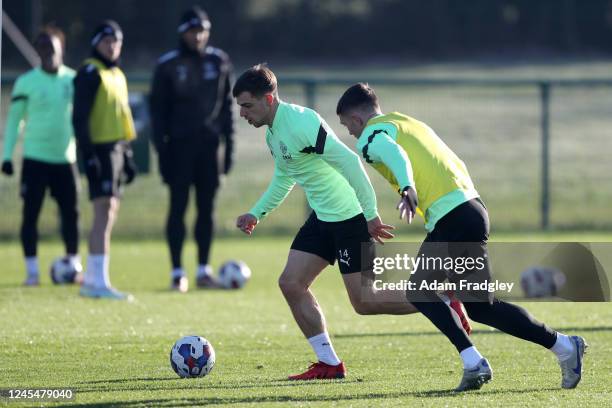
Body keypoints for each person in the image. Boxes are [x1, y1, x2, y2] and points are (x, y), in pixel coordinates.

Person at [336, 82, 588, 391]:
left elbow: (395, 154)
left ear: (357, 119)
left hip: (452, 216)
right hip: (471, 209)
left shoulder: (372, 137)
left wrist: (406, 186)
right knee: (481, 306)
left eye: (346, 124)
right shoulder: (408, 123)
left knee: (420, 290)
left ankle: (474, 362)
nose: (349, 132)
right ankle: (564, 347)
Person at [232, 65, 474, 380]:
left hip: (350, 217)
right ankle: (329, 363)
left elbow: (349, 161)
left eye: (247, 106)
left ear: (268, 98)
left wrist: (370, 214)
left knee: (365, 301)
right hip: (322, 217)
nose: (242, 114)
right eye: (239, 107)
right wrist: (257, 212)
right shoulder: (273, 132)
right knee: (291, 283)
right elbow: (284, 176)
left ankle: (442, 298)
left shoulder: (301, 121)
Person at [150, 6, 234, 293]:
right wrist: (161, 152)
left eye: (201, 31)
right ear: (181, 33)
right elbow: (157, 113)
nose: (197, 36)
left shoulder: (219, 61)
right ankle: (177, 272)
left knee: (206, 209)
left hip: (209, 148)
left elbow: (226, 108)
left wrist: (229, 147)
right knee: (178, 208)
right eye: (191, 31)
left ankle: (203, 270)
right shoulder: (167, 65)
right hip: (178, 148)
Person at [1, 25, 82, 286]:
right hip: (35, 158)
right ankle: (32, 272)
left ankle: (73, 264)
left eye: (53, 49)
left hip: (65, 159)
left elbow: (83, 121)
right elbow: (14, 122)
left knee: (71, 214)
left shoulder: (74, 80)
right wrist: (7, 156)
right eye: (43, 49)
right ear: (37, 51)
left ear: (62, 50)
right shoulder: (26, 82)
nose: (48, 54)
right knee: (31, 214)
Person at [72, 20, 137, 300]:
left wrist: (129, 153)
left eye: (117, 42)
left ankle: (97, 279)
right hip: (99, 150)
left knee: (109, 212)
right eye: (107, 41)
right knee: (103, 212)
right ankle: (96, 282)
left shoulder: (117, 73)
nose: (112, 47)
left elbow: (123, 116)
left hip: (117, 149)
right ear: (96, 43)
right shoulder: (89, 72)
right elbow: (80, 119)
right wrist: (88, 156)